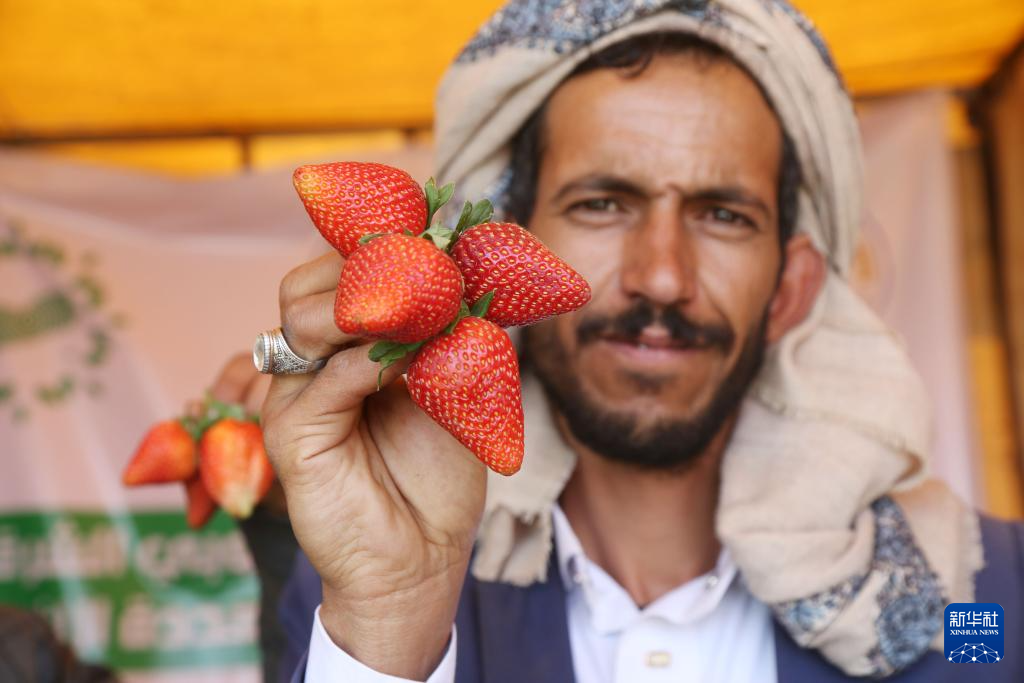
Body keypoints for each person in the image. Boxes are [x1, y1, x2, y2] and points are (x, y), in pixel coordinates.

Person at [239, 1, 1024, 681]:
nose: (661, 276)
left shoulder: (983, 599)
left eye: (723, 214)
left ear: (792, 288)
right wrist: (391, 627)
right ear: (500, 258)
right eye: (603, 203)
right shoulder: (370, 597)